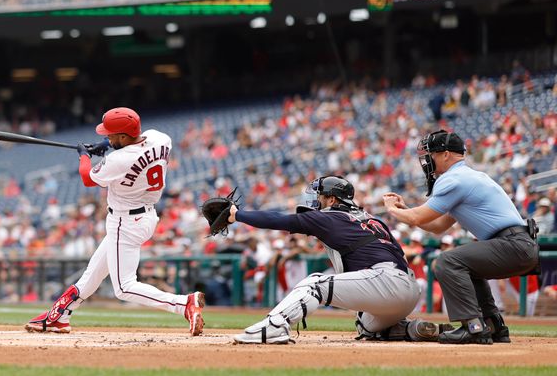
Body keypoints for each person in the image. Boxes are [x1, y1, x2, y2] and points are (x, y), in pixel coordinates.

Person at [25, 107, 205, 336]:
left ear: (123, 137)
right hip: (146, 216)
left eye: (111, 135)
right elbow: (134, 145)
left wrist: (84, 155)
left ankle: (184, 304)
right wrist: (108, 145)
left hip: (126, 221)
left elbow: (87, 178)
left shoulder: (118, 160)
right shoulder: (161, 138)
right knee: (93, 274)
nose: (107, 137)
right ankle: (60, 315)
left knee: (124, 287)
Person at [224, 175, 439, 344]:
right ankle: (409, 328)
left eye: (321, 195)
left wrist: (236, 215)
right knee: (365, 324)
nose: (317, 200)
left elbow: (279, 219)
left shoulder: (329, 217)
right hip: (407, 292)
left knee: (314, 284)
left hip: (387, 281)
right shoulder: (373, 219)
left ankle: (275, 327)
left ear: (332, 199)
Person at [383, 130, 540, 344]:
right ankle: (494, 325)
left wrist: (392, 210)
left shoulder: (453, 179)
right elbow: (438, 226)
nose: (428, 160)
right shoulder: (468, 176)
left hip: (512, 244)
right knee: (466, 266)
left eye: (432, 154)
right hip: (517, 244)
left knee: (447, 261)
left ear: (446, 154)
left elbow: (418, 218)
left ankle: (473, 327)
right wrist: (406, 210)